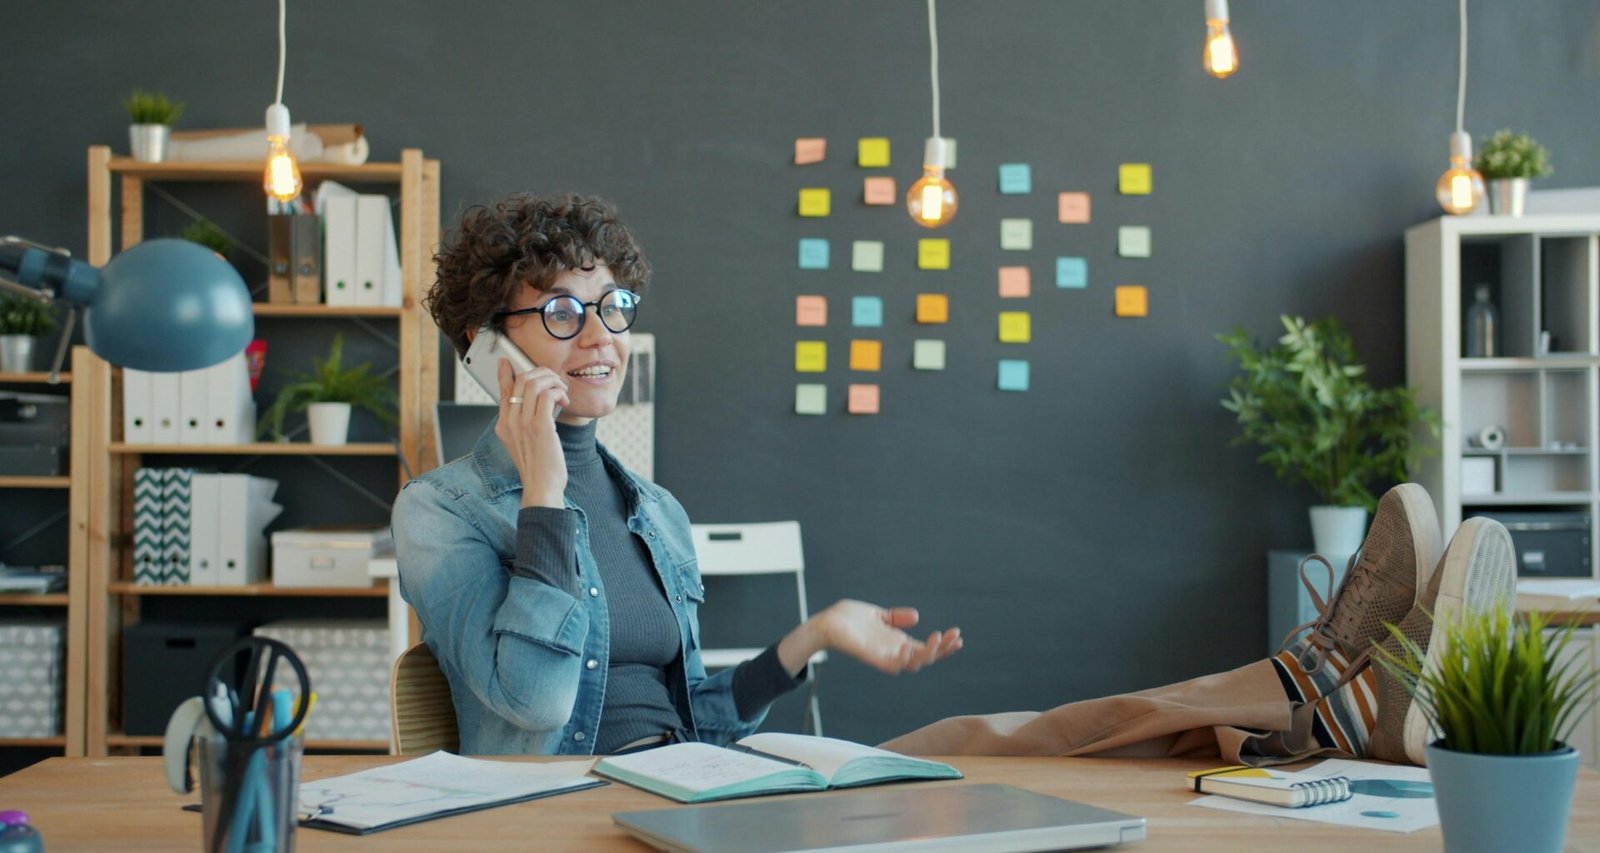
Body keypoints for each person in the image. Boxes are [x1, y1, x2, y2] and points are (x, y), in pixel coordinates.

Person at [392, 192, 963, 756]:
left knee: (955, 753)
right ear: (487, 343)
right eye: (561, 313)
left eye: (612, 306)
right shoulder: (439, 510)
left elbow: (693, 720)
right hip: (563, 803)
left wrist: (816, 634)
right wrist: (544, 495)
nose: (601, 336)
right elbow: (536, 701)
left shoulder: (657, 512)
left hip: (679, 782)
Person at [879, 483, 1517, 766]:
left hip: (834, 770)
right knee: (1003, 746)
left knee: (1014, 742)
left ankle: (1325, 701)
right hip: (836, 784)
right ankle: (1332, 706)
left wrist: (821, 637)